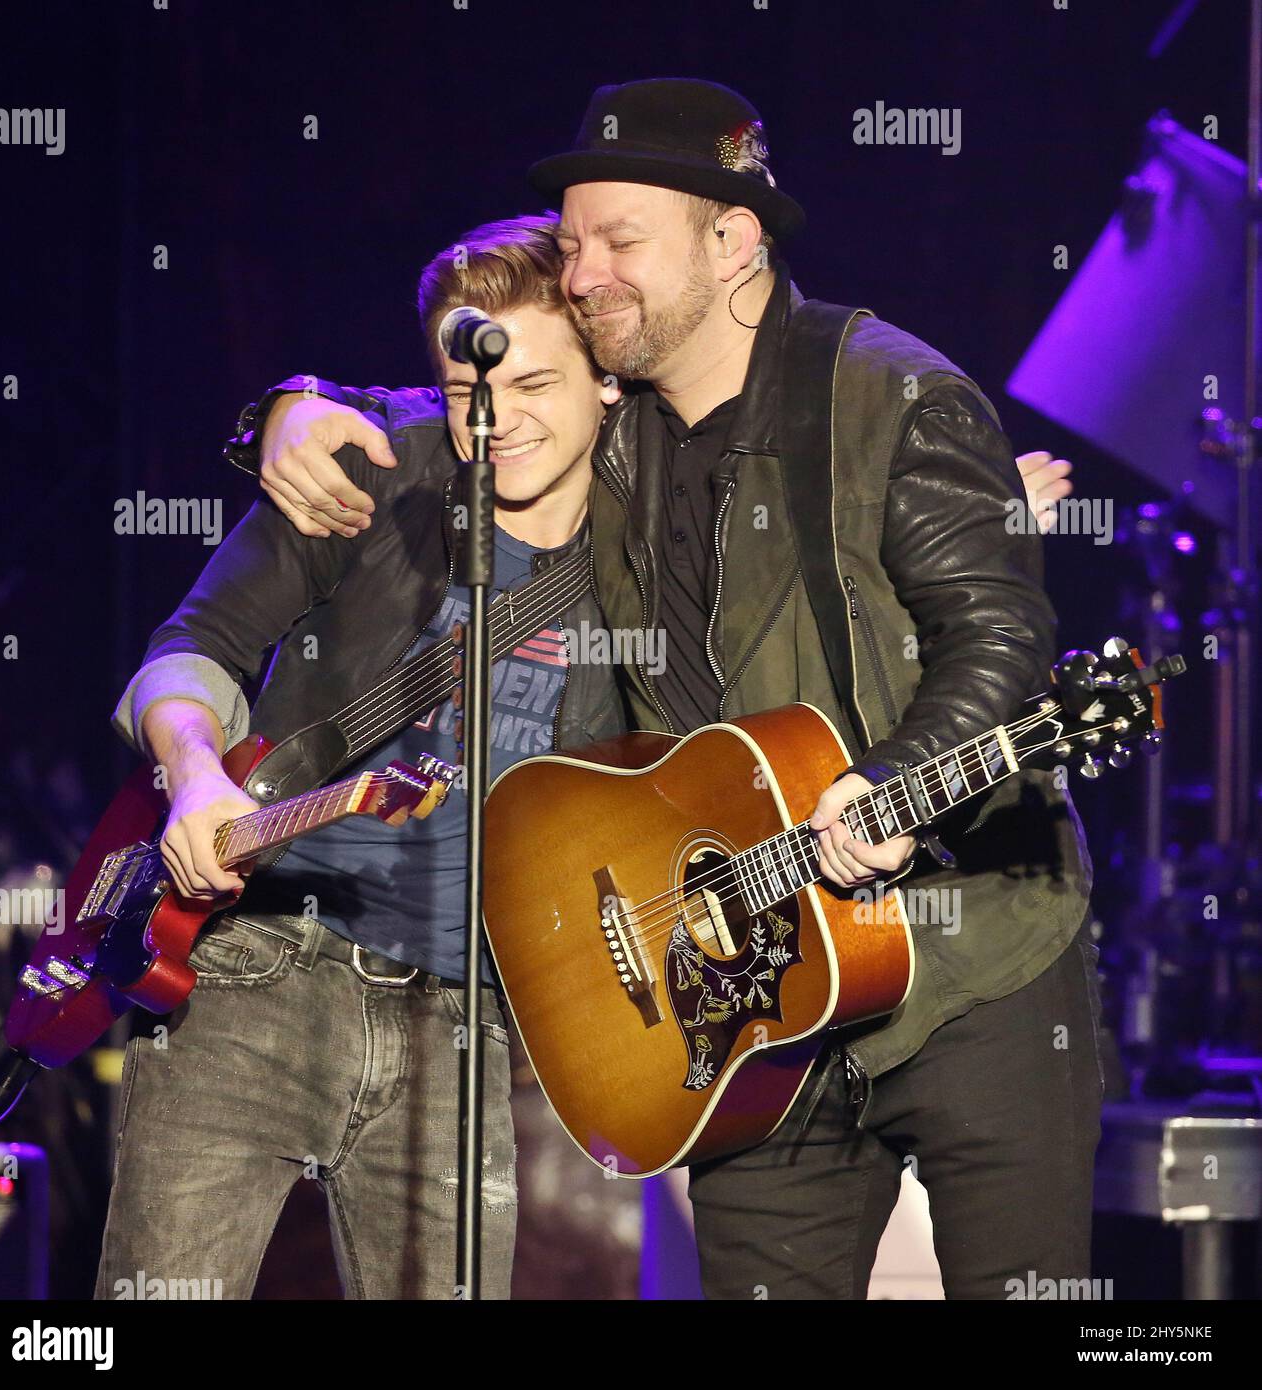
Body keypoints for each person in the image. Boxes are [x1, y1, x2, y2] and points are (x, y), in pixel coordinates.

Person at [234, 78, 1099, 1301]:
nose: (581, 275)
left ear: (732, 239)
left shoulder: (894, 397)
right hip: (741, 992)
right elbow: (458, 416)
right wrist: (293, 408)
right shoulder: (615, 420)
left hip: (969, 974)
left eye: (618, 241)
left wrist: (895, 786)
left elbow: (999, 644)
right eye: (574, 243)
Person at [95, 215, 625, 1300]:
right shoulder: (373, 468)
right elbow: (191, 648)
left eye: (536, 385)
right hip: (255, 976)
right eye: (474, 388)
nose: (500, 421)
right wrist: (194, 772)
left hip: (463, 1025)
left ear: (607, 379)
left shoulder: (660, 534)